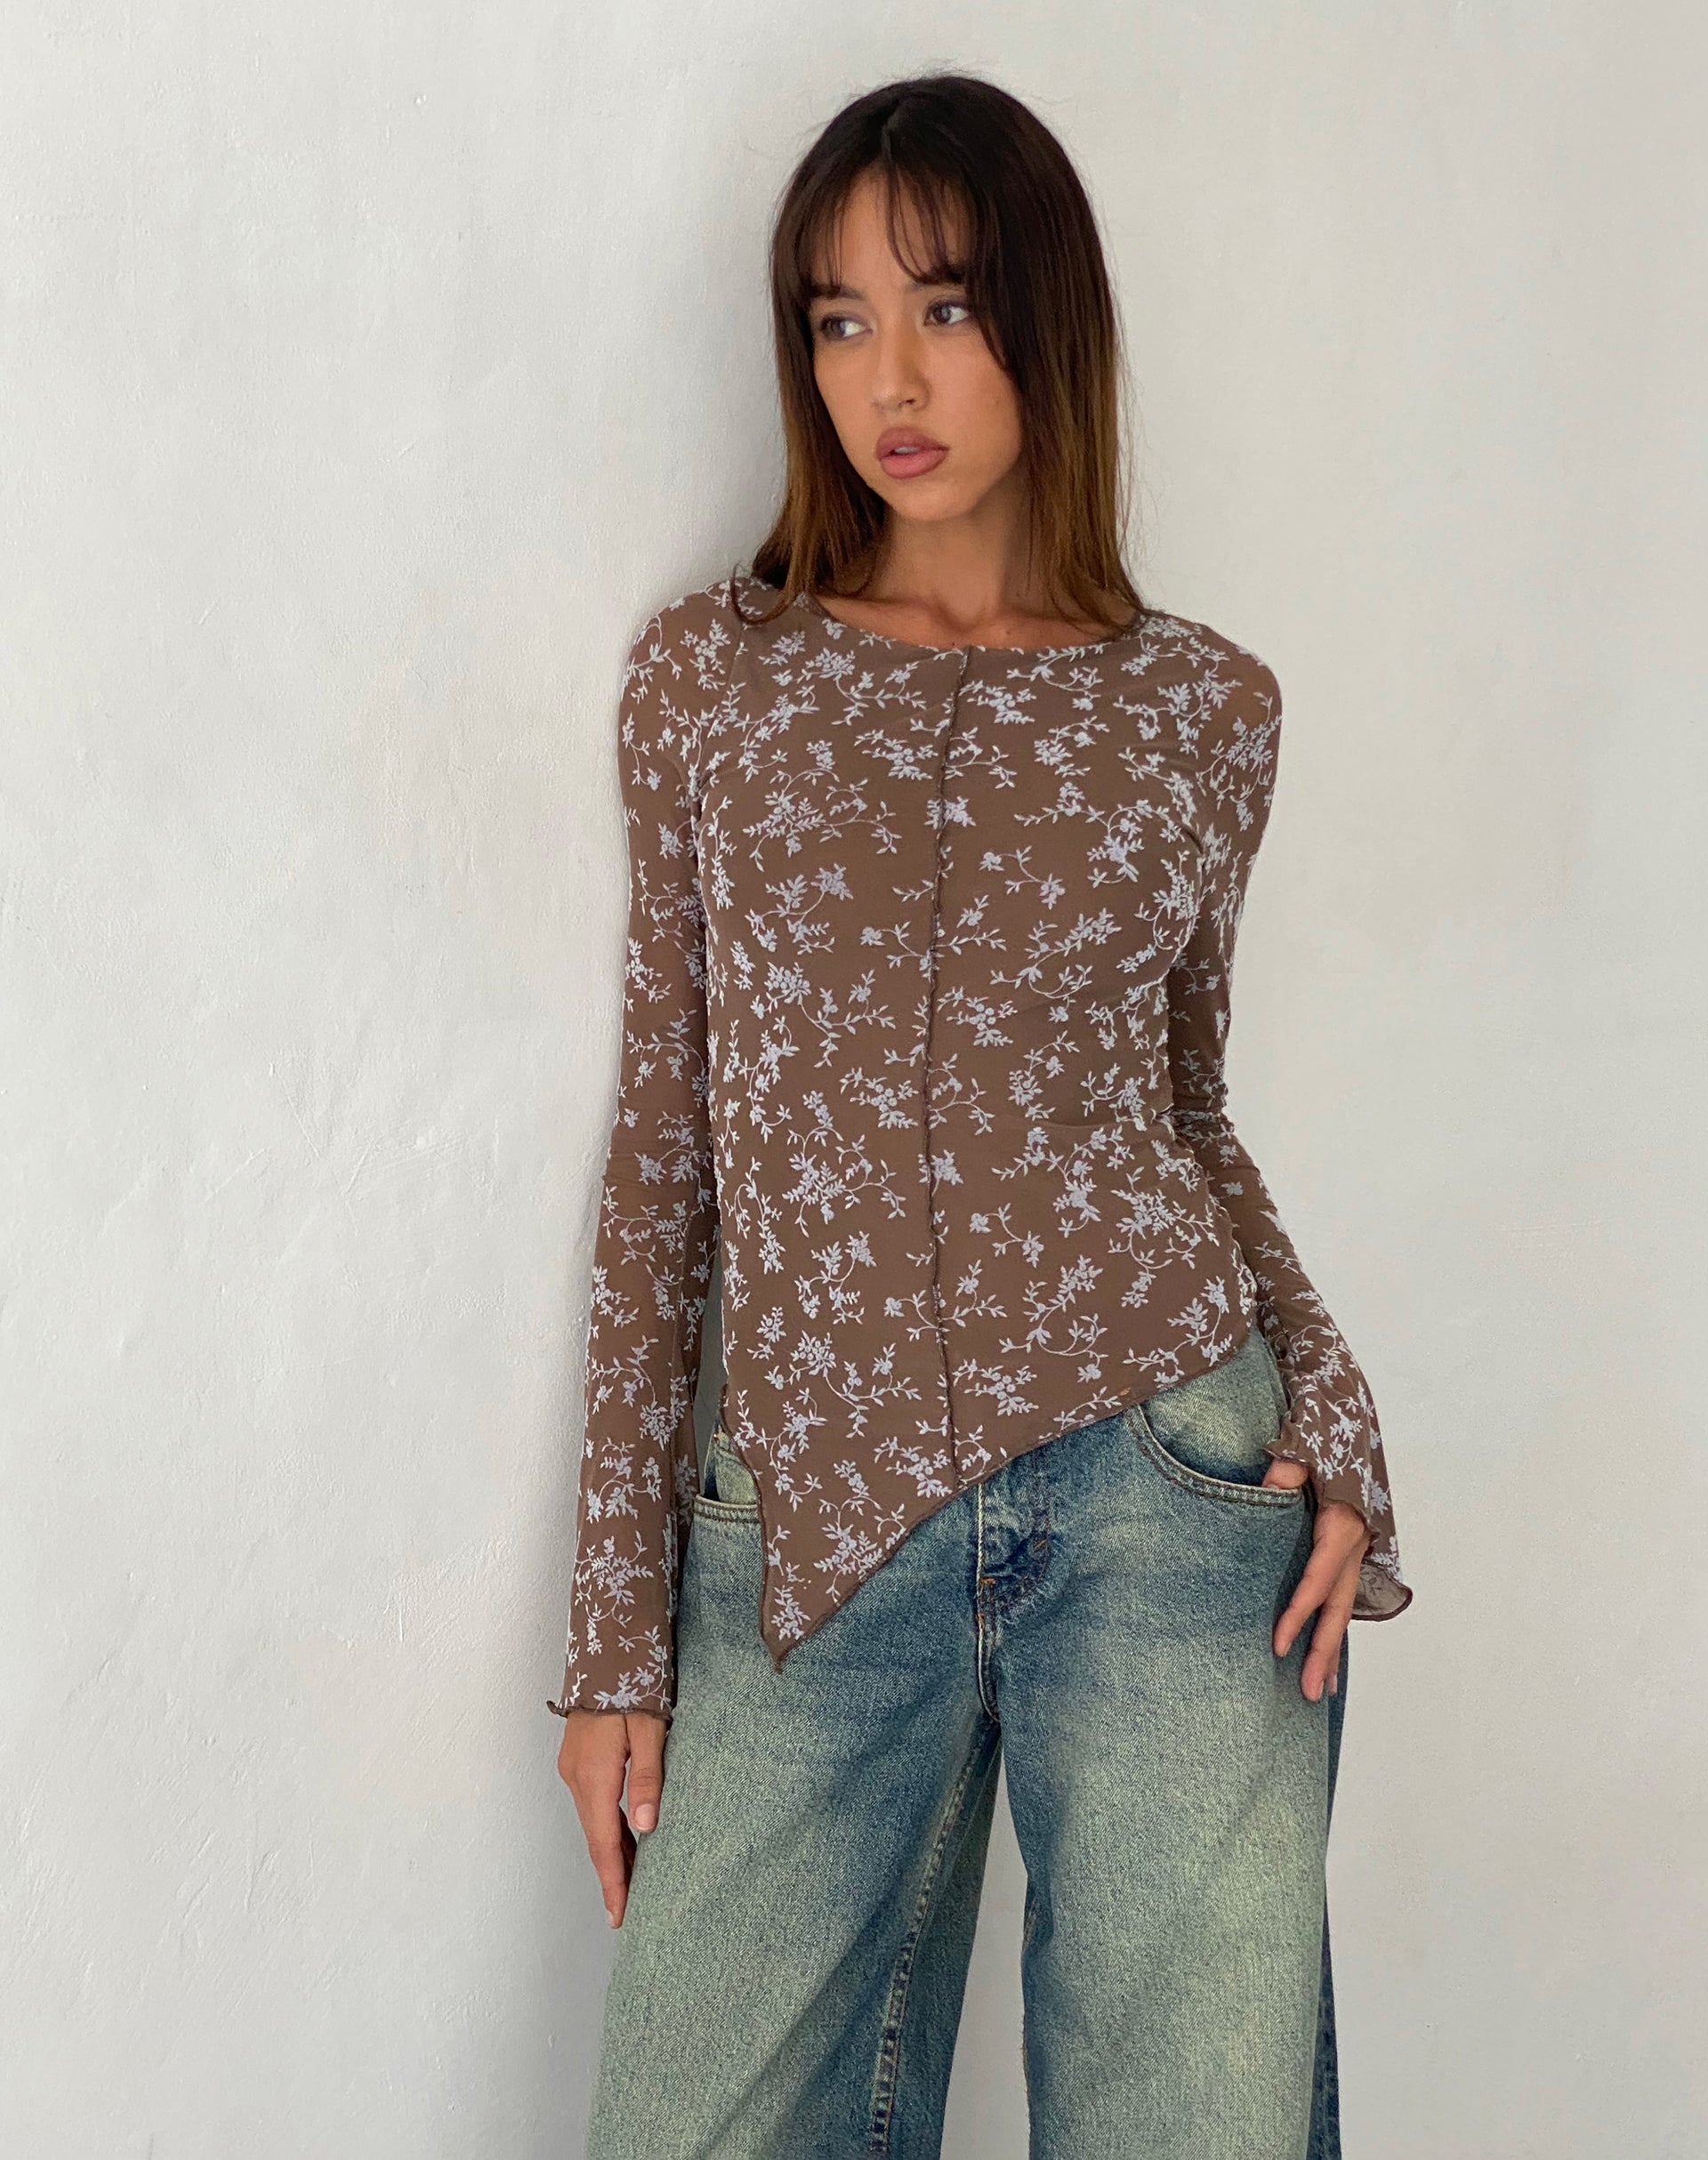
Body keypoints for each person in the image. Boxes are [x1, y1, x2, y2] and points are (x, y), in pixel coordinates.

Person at [551, 70, 1412, 2160]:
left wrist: (1332, 1399)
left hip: (1170, 1480)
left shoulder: (1203, 709)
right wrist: (612, 1639)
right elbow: (667, 1149)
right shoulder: (714, 679)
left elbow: (1182, 1109)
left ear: (1049, 316)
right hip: (808, 1509)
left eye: (943, 306)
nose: (890, 378)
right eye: (838, 319)